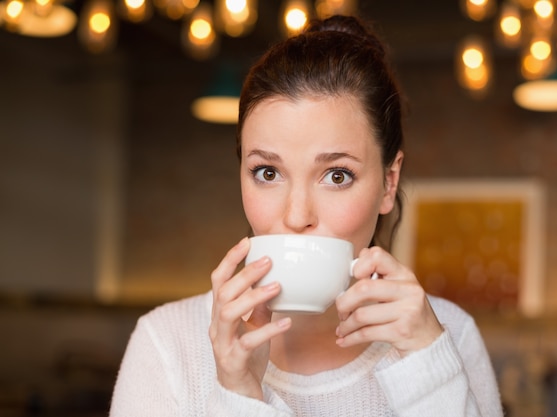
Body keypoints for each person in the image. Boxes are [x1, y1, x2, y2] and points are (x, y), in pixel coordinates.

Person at [110, 15, 503, 417]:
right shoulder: (167, 343)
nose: (298, 216)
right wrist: (238, 395)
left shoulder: (446, 335)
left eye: (336, 175)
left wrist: (429, 371)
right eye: (268, 172)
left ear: (388, 182)